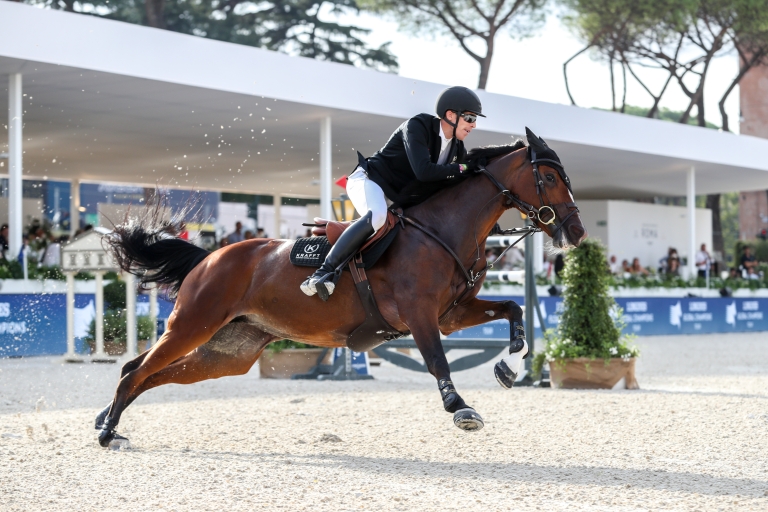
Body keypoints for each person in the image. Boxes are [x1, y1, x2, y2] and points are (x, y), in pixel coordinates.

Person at [300, 86, 484, 300]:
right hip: (369, 181)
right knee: (377, 215)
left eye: (474, 119)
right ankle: (323, 273)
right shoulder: (418, 126)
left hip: (399, 198)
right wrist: (465, 168)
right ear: (451, 115)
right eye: (470, 118)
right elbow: (424, 172)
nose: (474, 125)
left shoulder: (457, 149)